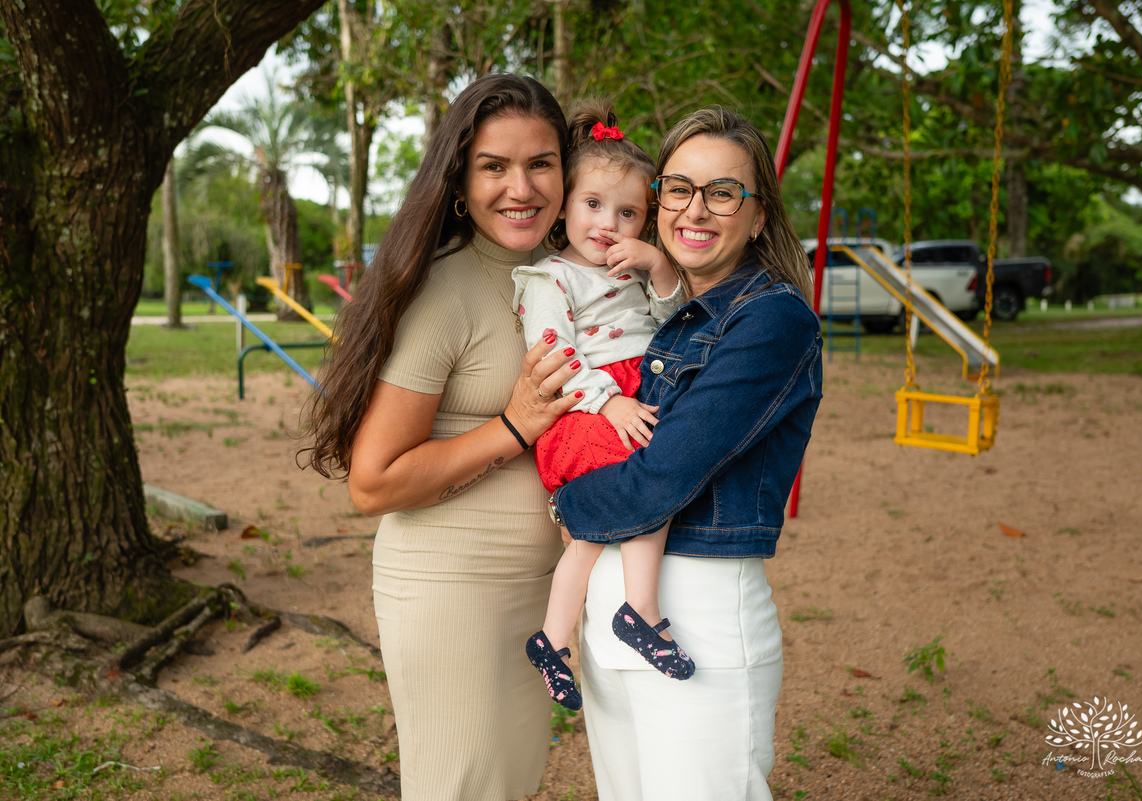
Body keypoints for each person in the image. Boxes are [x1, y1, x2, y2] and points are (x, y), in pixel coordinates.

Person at [301, 74, 582, 801]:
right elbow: (373, 481)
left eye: (540, 163)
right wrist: (513, 426)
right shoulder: (445, 290)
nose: (519, 187)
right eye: (494, 166)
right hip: (455, 593)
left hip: (538, 594)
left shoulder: (559, 278)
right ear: (460, 179)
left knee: (509, 782)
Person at [549, 106, 823, 801]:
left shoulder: (771, 318)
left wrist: (561, 501)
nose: (695, 209)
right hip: (611, 614)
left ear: (759, 216)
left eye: (723, 191)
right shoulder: (654, 316)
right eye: (679, 188)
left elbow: (658, 477)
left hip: (696, 615)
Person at [512, 102, 688, 711]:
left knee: (593, 535)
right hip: (585, 409)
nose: (608, 223)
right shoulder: (550, 277)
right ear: (563, 206)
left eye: (628, 212)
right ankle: (639, 613)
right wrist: (609, 402)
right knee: (656, 478)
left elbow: (673, 325)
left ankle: (553, 640)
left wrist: (660, 266)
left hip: (635, 396)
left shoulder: (635, 270)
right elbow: (553, 350)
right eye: (592, 205)